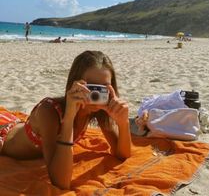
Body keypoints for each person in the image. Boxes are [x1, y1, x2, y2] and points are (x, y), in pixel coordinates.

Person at [0, 51, 131, 189]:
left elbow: (122, 154)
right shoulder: (49, 112)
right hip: (5, 139)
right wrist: (69, 117)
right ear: (74, 84)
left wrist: (123, 123)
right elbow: (61, 182)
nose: (96, 94)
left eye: (103, 88)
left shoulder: (96, 110)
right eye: (90, 87)